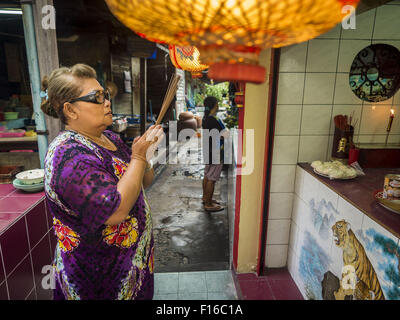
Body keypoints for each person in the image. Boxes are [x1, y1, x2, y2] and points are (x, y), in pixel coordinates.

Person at [41, 63, 164, 300]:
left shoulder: (109, 138)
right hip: (97, 279)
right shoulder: (68, 156)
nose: (107, 101)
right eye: (97, 97)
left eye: (105, 95)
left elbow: (141, 182)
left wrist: (145, 157)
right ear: (71, 110)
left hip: (131, 268)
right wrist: (137, 156)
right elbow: (114, 211)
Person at [201, 96, 229, 212]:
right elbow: (224, 134)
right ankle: (208, 204)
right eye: (217, 103)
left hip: (208, 150)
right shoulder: (213, 120)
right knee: (212, 178)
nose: (218, 106)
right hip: (216, 152)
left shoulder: (205, 118)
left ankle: (206, 198)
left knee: (207, 175)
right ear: (214, 105)